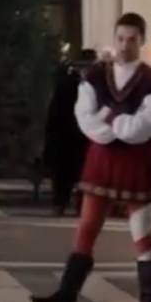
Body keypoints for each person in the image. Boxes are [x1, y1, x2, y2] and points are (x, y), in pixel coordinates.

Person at [33, 13, 151, 302]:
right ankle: (65, 297)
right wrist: (111, 127)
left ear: (142, 41)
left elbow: (147, 124)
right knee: (87, 227)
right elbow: (84, 115)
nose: (124, 46)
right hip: (102, 160)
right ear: (114, 38)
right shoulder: (95, 76)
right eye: (120, 38)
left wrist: (114, 122)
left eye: (132, 39)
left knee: (142, 234)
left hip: (137, 162)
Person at [42, 49, 96, 215]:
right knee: (65, 173)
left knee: (81, 173)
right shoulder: (69, 84)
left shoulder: (91, 85)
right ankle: (61, 203)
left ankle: (77, 204)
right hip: (67, 135)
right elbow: (56, 111)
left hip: (80, 136)